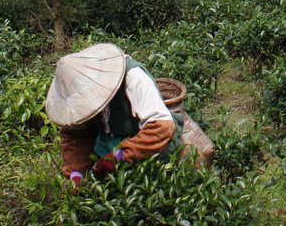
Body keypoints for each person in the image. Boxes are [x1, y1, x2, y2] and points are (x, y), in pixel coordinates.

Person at [45, 43, 183, 190]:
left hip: (146, 142)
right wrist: (76, 174)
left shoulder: (133, 76)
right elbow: (74, 134)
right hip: (110, 140)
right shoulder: (76, 91)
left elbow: (162, 128)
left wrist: (119, 156)